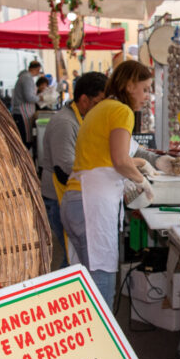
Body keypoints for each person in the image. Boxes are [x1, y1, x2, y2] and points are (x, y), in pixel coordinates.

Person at [61, 61, 156, 306]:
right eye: (145, 89)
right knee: (101, 286)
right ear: (129, 85)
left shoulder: (101, 108)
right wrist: (142, 181)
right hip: (91, 204)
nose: (147, 96)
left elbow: (106, 157)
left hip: (76, 200)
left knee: (86, 285)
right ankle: (102, 342)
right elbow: (119, 160)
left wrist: (142, 164)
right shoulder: (121, 111)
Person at [39, 72, 108, 269]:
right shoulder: (66, 123)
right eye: (99, 102)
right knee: (72, 258)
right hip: (58, 197)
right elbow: (66, 167)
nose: (102, 108)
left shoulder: (84, 119)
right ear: (84, 100)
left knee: (75, 256)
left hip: (73, 194)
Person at [12, 60, 42, 148]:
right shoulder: (27, 78)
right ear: (36, 69)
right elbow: (29, 97)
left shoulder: (24, 77)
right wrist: (40, 98)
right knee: (25, 141)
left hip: (23, 112)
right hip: (22, 113)